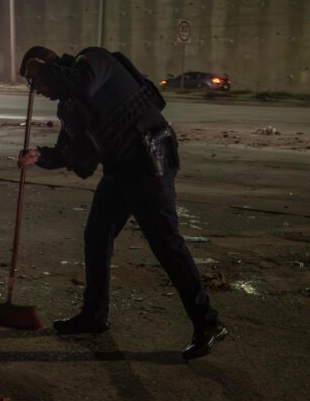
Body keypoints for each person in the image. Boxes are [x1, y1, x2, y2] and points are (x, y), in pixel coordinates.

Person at [16, 45, 227, 359]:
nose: (40, 90)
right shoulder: (69, 107)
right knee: (97, 234)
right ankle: (94, 315)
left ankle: (208, 323)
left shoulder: (94, 61)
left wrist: (43, 70)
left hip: (148, 162)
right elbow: (78, 158)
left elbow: (83, 83)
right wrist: (41, 156)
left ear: (49, 66)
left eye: (38, 82)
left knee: (166, 243)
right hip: (119, 170)